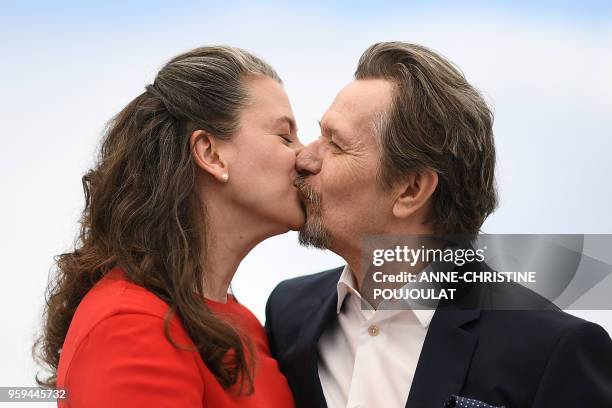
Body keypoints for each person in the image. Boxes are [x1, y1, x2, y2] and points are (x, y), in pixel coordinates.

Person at [265, 42, 612, 407]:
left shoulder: (552, 352)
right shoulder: (288, 313)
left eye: (335, 145)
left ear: (410, 190)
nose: (304, 157)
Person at [34, 45, 302, 407]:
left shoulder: (241, 323)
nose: (307, 155)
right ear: (210, 153)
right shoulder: (130, 326)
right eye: (285, 137)